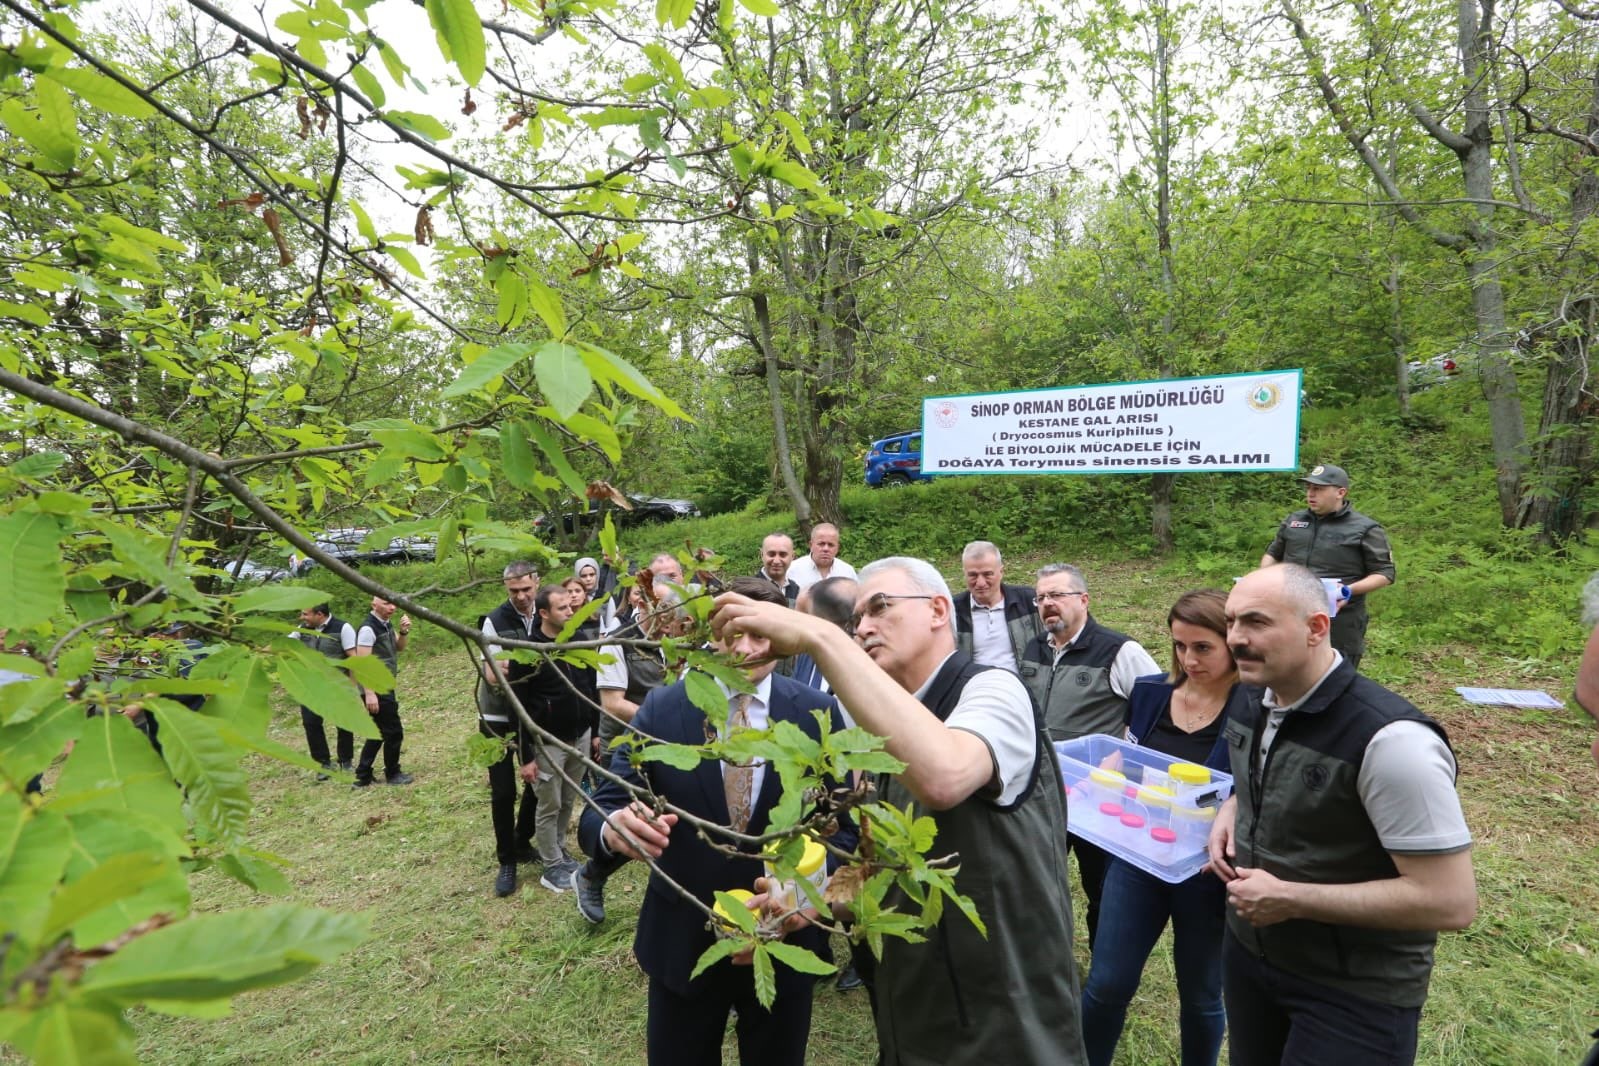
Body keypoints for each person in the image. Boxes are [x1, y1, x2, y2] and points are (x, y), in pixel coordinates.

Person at [710, 557, 1088, 1064]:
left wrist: (823, 638)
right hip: (914, 1013)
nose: (863, 627)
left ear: (938, 610)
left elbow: (945, 775)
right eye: (855, 620)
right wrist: (809, 904)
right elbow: (884, 871)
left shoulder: (994, 691)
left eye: (880, 607)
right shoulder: (884, 727)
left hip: (1004, 1016)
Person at [576, 577, 853, 1066]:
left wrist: (803, 893)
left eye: (760, 634)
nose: (744, 649)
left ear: (785, 635)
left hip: (783, 940)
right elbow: (602, 807)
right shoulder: (664, 709)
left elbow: (844, 829)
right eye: (732, 633)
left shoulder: (817, 712)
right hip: (683, 939)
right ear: (712, 634)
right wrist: (612, 827)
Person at [1208, 564, 1476, 1066]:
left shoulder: (1393, 743)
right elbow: (1265, 769)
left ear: (1316, 627)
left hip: (1354, 991)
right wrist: (1234, 804)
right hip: (1250, 956)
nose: (1236, 638)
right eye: (1231, 621)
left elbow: (1450, 901)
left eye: (1256, 622)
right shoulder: (1252, 697)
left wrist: (1290, 898)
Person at [1080, 590, 1237, 1066]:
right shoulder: (1150, 692)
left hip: (1207, 871)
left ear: (1233, 641)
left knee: (1202, 994)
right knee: (1107, 984)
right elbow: (1125, 756)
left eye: (1203, 647)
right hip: (1138, 855)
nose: (1189, 660)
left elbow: (1262, 785)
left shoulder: (1256, 704)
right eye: (1179, 646)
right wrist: (1098, 777)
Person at [1019, 562, 1160, 946]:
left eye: (1057, 595)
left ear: (1083, 600)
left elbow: (1157, 708)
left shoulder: (1119, 650)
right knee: (1038, 883)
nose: (1047, 603)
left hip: (1098, 799)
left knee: (1101, 888)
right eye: (1041, 597)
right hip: (1045, 791)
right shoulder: (1034, 648)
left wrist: (1121, 757)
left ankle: (1104, 962)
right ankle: (1048, 959)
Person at [573, 580, 690, 922]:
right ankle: (592, 875)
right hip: (626, 748)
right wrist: (665, 719)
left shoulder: (674, 641)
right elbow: (612, 704)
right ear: (645, 605)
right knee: (630, 822)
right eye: (667, 613)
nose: (673, 622)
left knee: (664, 820)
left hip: (668, 747)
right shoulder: (617, 642)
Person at [1260, 463, 1395, 669]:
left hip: (1339, 619)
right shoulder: (1294, 521)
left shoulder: (1365, 528)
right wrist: (1264, 579)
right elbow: (1272, 554)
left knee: (1336, 675)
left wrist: (1347, 590)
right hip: (1291, 611)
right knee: (1287, 669)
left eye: (1319, 489)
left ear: (1340, 492)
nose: (1311, 494)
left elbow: (1384, 573)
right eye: (1309, 488)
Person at [521, 584, 597, 893]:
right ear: (544, 613)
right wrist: (526, 756)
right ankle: (550, 865)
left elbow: (590, 689)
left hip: (580, 736)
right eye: (562, 608)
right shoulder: (528, 652)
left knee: (567, 799)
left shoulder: (578, 640)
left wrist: (594, 732)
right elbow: (518, 706)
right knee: (549, 804)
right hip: (548, 742)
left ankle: (560, 849)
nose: (571, 611)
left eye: (571, 606)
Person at [479, 562, 541, 897]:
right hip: (497, 717)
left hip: (533, 715)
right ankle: (507, 861)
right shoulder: (494, 621)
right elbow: (492, 675)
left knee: (538, 781)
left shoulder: (545, 612)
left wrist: (512, 663)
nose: (520, 596)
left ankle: (521, 839)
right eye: (514, 590)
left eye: (526, 589)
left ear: (537, 584)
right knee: (503, 791)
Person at [351, 595, 413, 788]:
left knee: (379, 731)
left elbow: (399, 647)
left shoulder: (385, 624)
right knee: (393, 731)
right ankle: (393, 773)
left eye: (393, 603)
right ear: (374, 605)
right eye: (386, 603)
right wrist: (369, 693)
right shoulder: (368, 629)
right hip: (376, 688)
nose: (392, 607)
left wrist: (403, 632)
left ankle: (362, 775)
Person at [290, 602, 358, 775]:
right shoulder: (302, 629)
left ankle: (346, 761)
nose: (302, 617)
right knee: (311, 723)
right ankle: (323, 764)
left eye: (305, 614)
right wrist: (259, 651)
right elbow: (284, 643)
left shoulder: (343, 628)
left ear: (319, 614)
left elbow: (354, 659)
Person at [952, 540, 1040, 673]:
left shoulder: (1028, 601)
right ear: (964, 574)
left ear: (1001, 572)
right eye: (973, 575)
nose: (980, 583)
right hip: (973, 683)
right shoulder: (953, 610)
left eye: (987, 574)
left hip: (1023, 682)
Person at [786, 523, 856, 592]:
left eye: (831, 545)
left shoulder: (847, 572)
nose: (826, 549)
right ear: (811, 545)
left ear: (837, 548)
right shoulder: (792, 570)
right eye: (821, 544)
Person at [757, 532, 800, 605]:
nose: (776, 561)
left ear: (792, 556)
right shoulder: (749, 588)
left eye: (783, 555)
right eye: (771, 554)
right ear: (762, 555)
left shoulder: (795, 590)